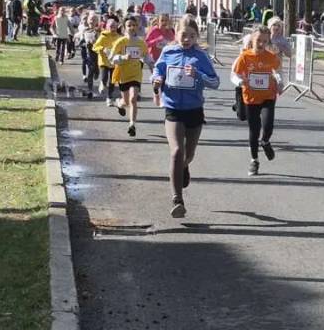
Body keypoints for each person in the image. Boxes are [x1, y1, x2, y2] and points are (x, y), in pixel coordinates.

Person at [152, 17, 220, 218]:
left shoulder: (201, 56)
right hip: (173, 109)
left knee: (187, 155)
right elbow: (157, 71)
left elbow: (215, 82)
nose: (187, 39)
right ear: (176, 33)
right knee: (176, 151)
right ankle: (177, 200)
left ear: (196, 36)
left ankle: (184, 166)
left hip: (194, 110)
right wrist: (156, 79)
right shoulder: (168, 52)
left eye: (192, 36)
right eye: (184, 35)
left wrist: (198, 74)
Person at [231, 27, 283, 175]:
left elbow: (279, 72)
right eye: (258, 40)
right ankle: (254, 160)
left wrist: (280, 82)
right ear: (252, 39)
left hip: (268, 97)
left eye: (265, 41)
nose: (261, 44)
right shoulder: (245, 57)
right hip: (251, 98)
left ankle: (265, 141)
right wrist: (240, 82)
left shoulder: (271, 57)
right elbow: (234, 75)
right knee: (254, 130)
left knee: (268, 126)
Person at [110, 16, 148, 137]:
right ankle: (119, 103)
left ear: (137, 27)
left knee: (133, 99)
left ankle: (132, 124)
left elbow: (146, 56)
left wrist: (153, 65)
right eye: (129, 25)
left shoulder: (141, 42)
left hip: (136, 74)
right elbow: (111, 58)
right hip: (123, 75)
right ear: (124, 27)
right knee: (126, 102)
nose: (132, 27)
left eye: (134, 25)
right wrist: (122, 57)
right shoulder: (121, 42)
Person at [93, 16, 122, 108]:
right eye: (111, 26)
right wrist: (103, 49)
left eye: (114, 26)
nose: (112, 28)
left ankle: (109, 98)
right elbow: (95, 47)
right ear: (107, 27)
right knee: (104, 77)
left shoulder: (119, 37)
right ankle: (102, 83)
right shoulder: (103, 36)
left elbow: (122, 48)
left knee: (112, 81)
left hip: (114, 62)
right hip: (104, 61)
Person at [77, 12, 100, 97]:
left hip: (97, 54)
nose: (92, 21)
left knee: (95, 70)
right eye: (90, 19)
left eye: (94, 20)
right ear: (87, 20)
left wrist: (96, 43)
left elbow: (103, 43)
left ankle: (97, 72)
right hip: (88, 54)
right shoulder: (85, 31)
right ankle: (90, 90)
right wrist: (85, 44)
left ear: (97, 21)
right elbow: (80, 43)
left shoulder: (99, 31)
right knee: (90, 72)